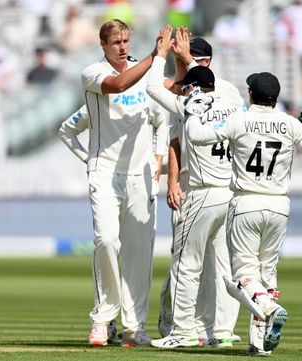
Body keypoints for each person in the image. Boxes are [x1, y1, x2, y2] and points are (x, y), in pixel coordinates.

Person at [184, 71, 302, 355]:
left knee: (239, 279)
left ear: (251, 94)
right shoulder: (289, 124)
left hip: (246, 202)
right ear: (275, 97)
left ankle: (269, 308)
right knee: (266, 273)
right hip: (279, 206)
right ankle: (260, 344)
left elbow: (197, 137)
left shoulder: (239, 120)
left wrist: (192, 114)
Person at [74, 19, 169, 347]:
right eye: (116, 42)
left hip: (140, 174)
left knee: (140, 253)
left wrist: (158, 157)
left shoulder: (147, 73)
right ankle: (102, 320)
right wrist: (153, 57)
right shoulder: (93, 72)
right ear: (104, 45)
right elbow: (117, 85)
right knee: (107, 240)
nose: (123, 47)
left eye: (127, 40)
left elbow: (162, 115)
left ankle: (133, 326)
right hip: (104, 171)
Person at [147, 26, 242, 349]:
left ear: (207, 63)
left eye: (196, 62)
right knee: (219, 265)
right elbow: (174, 141)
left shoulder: (194, 101)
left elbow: (154, 87)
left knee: (187, 265)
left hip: (203, 191)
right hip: (221, 191)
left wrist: (166, 57)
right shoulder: (230, 98)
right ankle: (222, 331)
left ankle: (184, 330)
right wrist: (171, 181)